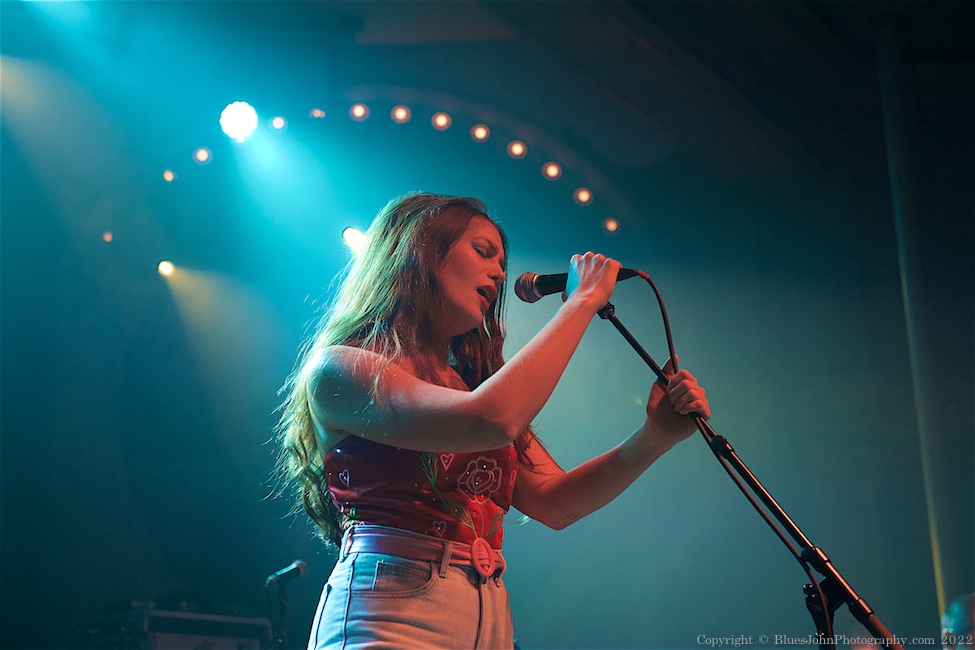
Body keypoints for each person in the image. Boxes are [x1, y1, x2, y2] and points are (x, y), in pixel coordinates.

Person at [275, 191, 711, 649]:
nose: (500, 273)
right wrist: (579, 303)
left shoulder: (468, 383)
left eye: (501, 262)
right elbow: (490, 420)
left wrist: (654, 438)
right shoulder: (341, 367)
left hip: (489, 616)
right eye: (482, 252)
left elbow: (554, 503)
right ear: (419, 252)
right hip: (390, 613)